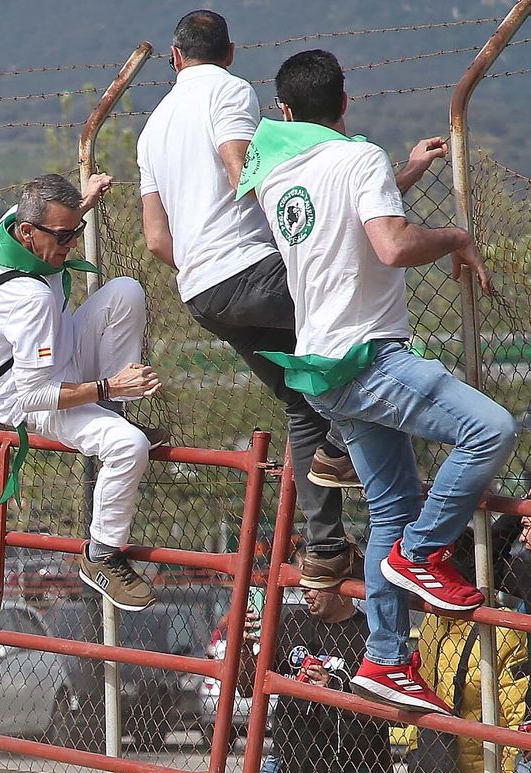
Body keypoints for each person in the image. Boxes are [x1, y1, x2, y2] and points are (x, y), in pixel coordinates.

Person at [241, 49, 517, 714]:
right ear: (345, 103)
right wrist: (454, 235)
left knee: (390, 506)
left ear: (285, 112)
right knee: (491, 429)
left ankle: (387, 657)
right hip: (368, 358)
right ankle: (424, 554)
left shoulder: (279, 173)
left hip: (320, 369)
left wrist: (403, 176)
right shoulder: (356, 157)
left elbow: (348, 222)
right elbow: (389, 245)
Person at [137, 9, 365, 591]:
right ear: (231, 53)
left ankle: (325, 550)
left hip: (201, 291)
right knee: (364, 304)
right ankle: (349, 456)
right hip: (252, 269)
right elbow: (242, 168)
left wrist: (205, 262)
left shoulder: (151, 128)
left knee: (301, 395)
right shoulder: (231, 91)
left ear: (174, 55)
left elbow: (158, 240)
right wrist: (297, 231)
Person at [0, 172, 163, 612]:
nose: (71, 245)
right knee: (129, 446)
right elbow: (34, 395)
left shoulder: (15, 226)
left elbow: (53, 219)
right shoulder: (28, 297)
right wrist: (110, 386)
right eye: (63, 236)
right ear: (27, 232)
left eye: (74, 232)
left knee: (125, 293)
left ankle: (113, 412)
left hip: (56, 358)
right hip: (27, 396)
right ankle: (101, 556)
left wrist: (83, 203)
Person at [406, 528, 531, 773]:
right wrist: (417, 753)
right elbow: (422, 691)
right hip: (434, 770)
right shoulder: (432, 622)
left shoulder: (502, 627)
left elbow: (513, 707)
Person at [249, 583, 394, 773]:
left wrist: (333, 690)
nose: (306, 591)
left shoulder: (372, 635)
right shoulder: (294, 623)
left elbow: (390, 714)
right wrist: (243, 648)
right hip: (288, 759)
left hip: (354, 766)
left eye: (315, 585)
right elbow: (246, 686)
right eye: (303, 584)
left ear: (342, 589)